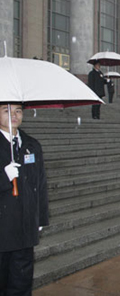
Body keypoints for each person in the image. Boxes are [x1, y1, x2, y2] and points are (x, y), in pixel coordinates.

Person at [0, 104, 49, 295]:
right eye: (7, 110)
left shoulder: (32, 145)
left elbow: (41, 185)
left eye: (18, 111)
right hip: (2, 231)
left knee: (21, 285)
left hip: (25, 230)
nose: (14, 115)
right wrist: (4, 177)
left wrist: (40, 219)